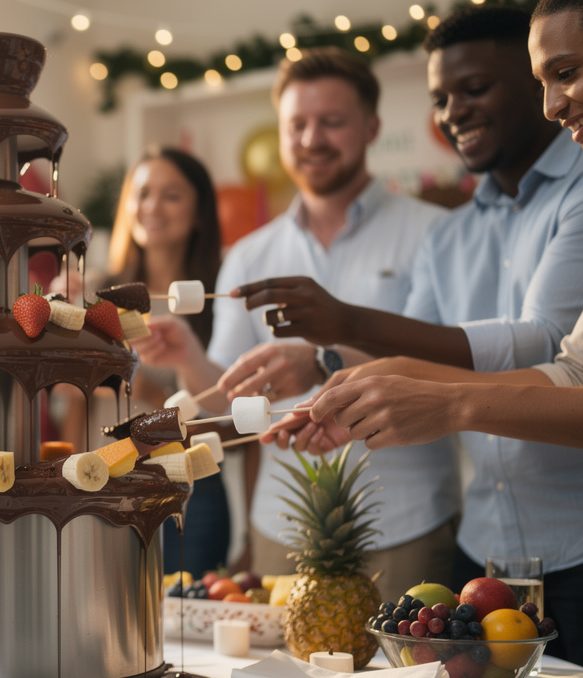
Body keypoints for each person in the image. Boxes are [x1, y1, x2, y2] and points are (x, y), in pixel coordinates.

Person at [285, 1, 583, 678]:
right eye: (543, 79)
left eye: (566, 72)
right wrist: (381, 380)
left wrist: (450, 401)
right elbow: (577, 366)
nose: (553, 103)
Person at [133, 48, 460, 602]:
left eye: (331, 122)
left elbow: (454, 363)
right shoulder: (250, 256)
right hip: (281, 528)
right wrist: (188, 354)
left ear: (372, 126)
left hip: (406, 522)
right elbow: (227, 411)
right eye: (297, 125)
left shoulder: (437, 233)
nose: (312, 139)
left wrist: (323, 360)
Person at [98, 148, 232, 575]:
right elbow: (72, 397)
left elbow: (231, 410)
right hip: (108, 475)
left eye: (171, 195)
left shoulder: (219, 296)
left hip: (195, 484)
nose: (152, 207)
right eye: (143, 194)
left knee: (181, 625)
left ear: (199, 213)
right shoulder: (100, 294)